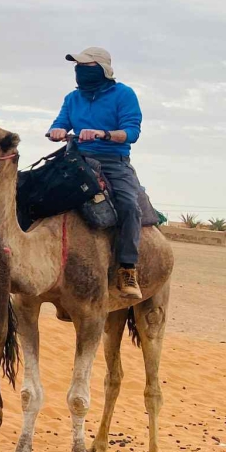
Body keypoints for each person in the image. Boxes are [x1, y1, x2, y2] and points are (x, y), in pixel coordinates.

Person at [46, 47, 145, 299]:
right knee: (34, 189)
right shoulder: (72, 98)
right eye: (78, 67)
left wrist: (104, 134)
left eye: (86, 67)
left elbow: (131, 132)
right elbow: (60, 122)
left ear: (103, 69)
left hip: (113, 160)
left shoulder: (123, 94)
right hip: (76, 157)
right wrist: (56, 131)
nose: (80, 72)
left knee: (130, 206)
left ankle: (127, 267)